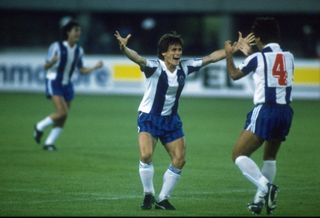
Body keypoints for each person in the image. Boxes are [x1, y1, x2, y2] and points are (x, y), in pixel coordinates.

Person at [114, 30, 253, 210]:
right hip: (149, 117)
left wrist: (233, 49)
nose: (178, 53)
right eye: (173, 50)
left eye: (179, 50)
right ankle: (148, 194)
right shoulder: (154, 67)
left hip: (171, 120)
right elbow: (138, 58)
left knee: (179, 159)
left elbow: (211, 58)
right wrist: (124, 48)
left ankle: (163, 199)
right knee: (146, 155)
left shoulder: (185, 67)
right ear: (164, 53)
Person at [224, 17, 294, 215]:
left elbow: (235, 75)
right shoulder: (289, 56)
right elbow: (271, 67)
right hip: (285, 112)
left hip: (265, 111)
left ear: (259, 37)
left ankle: (266, 187)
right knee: (270, 157)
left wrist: (230, 54)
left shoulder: (257, 58)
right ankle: (259, 202)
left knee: (238, 155)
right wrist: (251, 52)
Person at [33, 19, 104, 151]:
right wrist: (52, 61)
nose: (79, 33)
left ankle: (49, 142)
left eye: (79, 31)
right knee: (61, 112)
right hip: (54, 81)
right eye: (76, 30)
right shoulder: (56, 47)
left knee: (64, 115)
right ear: (68, 32)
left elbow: (82, 70)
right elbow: (45, 65)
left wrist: (95, 67)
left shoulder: (79, 50)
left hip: (67, 84)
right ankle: (39, 126)